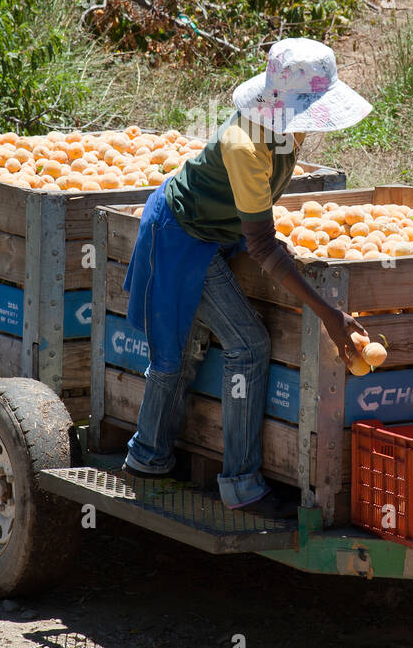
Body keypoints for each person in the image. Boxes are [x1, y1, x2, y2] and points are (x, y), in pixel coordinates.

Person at [122, 38, 372, 519]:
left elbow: (258, 230)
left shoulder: (284, 131)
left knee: (193, 346)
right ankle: (230, 482)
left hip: (222, 233)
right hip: (182, 236)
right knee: (240, 346)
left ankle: (153, 454)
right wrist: (329, 315)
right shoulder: (245, 146)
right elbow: (261, 245)